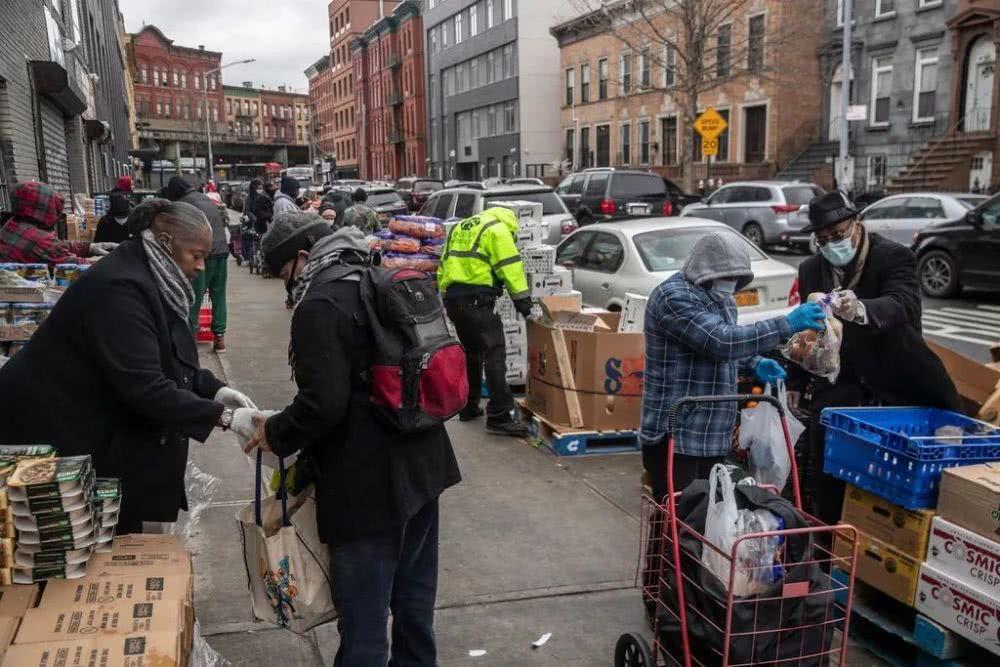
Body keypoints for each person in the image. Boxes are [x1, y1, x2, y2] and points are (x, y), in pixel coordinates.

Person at [247, 212, 461, 666]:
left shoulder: (319, 304)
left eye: (285, 273)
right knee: (413, 606)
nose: (287, 285)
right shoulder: (374, 274)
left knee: (363, 621)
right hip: (423, 465)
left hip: (367, 486)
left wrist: (274, 432)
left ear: (303, 257)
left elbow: (323, 404)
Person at [0, 199, 258, 534]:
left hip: (90, 423)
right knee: (81, 535)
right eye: (196, 255)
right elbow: (145, 385)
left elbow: (170, 356)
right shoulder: (119, 288)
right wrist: (223, 417)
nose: (200, 268)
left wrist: (215, 389)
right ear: (165, 241)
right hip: (54, 426)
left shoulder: (154, 277)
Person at [797, 191, 961, 524]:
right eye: (823, 239)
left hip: (898, 377)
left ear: (857, 225)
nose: (832, 244)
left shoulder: (893, 257)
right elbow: (807, 331)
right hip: (841, 384)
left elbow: (903, 305)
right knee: (827, 475)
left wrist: (861, 309)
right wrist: (796, 380)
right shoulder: (811, 269)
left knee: (893, 485)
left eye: (839, 234)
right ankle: (831, 550)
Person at [639, 231, 827, 499]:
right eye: (724, 277)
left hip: (713, 432)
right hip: (678, 434)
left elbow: (719, 347)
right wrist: (786, 324)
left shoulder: (722, 299)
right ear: (702, 270)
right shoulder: (673, 297)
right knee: (677, 524)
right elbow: (721, 341)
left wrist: (753, 362)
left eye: (735, 277)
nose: (729, 284)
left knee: (704, 524)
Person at [437, 207, 533, 437]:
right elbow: (510, 267)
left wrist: (445, 296)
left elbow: (443, 264)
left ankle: (469, 407)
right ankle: (499, 415)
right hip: (477, 299)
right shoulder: (498, 230)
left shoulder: (461, 227)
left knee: (472, 353)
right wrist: (524, 304)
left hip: (452, 298)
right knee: (494, 351)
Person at [165, 176, 230, 353]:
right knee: (219, 294)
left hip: (202, 254)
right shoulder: (205, 198)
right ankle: (219, 337)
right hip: (222, 251)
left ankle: (190, 337)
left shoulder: (183, 205)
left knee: (193, 296)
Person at [0, 181, 116, 265]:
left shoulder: (13, 223)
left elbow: (56, 247)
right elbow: (77, 266)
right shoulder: (40, 239)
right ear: (46, 207)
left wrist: (89, 247)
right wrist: (106, 263)